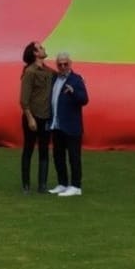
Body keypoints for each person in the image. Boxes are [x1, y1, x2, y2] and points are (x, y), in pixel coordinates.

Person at [46, 52, 89, 197]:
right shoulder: (54, 79)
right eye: (60, 64)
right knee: (58, 156)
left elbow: (84, 99)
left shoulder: (76, 80)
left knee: (73, 157)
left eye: (65, 64)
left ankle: (76, 186)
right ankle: (62, 183)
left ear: (70, 64)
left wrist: (73, 92)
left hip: (72, 126)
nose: (63, 66)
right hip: (57, 125)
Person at [18, 41, 53, 194]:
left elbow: (62, 76)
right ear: (35, 53)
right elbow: (23, 99)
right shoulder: (30, 72)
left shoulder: (48, 71)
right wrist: (30, 118)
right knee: (28, 149)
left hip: (45, 117)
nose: (44, 49)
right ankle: (26, 184)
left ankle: (42, 184)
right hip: (33, 117)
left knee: (44, 150)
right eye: (41, 48)